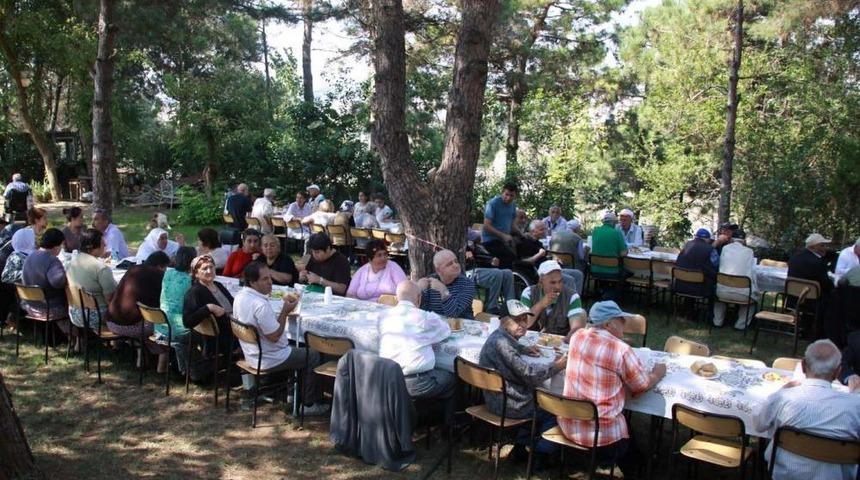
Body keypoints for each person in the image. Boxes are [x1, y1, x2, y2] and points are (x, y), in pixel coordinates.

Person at [560, 301, 666, 476]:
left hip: (569, 424)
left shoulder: (577, 337)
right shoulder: (621, 349)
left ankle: (596, 463)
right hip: (601, 435)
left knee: (621, 424)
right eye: (621, 319)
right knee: (622, 436)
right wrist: (658, 372)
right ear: (608, 324)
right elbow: (641, 385)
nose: (624, 322)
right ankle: (618, 466)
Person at [753, 340, 860, 480]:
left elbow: (759, 425)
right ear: (838, 371)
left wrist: (781, 390)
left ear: (803, 366)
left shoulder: (782, 397)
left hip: (785, 475)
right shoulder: (855, 405)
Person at [233, 262, 329, 415]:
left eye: (270, 277)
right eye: (265, 279)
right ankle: (309, 404)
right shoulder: (259, 304)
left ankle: (293, 395)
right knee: (313, 355)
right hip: (268, 357)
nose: (270, 282)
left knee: (294, 342)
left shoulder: (240, 296)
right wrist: (284, 312)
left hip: (251, 353)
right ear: (252, 282)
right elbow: (275, 336)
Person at [479, 300, 567, 463]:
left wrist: (522, 348)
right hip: (508, 404)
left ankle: (521, 446)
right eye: (517, 320)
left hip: (495, 398)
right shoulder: (504, 345)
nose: (523, 324)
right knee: (555, 409)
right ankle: (539, 455)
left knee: (539, 399)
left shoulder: (499, 337)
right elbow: (530, 374)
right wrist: (557, 366)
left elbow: (509, 353)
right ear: (504, 320)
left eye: (525, 320)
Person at [378, 280, 455, 420]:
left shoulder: (383, 316)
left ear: (396, 299)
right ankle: (445, 425)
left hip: (386, 379)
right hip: (415, 383)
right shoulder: (425, 318)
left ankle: (417, 415)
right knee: (452, 378)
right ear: (419, 299)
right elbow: (446, 331)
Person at [107, 251, 169, 338]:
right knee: (166, 324)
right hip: (130, 326)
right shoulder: (157, 275)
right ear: (160, 266)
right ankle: (158, 349)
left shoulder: (133, 269)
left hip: (111, 322)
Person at [66, 228, 117, 330]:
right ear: (93, 247)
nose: (105, 246)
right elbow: (111, 298)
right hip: (94, 315)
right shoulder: (101, 268)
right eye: (103, 244)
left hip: (74, 312)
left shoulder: (71, 263)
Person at [520, 260, 585, 337]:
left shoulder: (572, 296)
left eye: (560, 281)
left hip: (559, 342)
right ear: (541, 282)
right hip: (531, 341)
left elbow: (576, 328)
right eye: (552, 282)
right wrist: (541, 304)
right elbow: (524, 323)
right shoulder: (529, 293)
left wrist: (572, 335)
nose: (557, 287)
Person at [158, 246, 196, 375]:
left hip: (160, 326)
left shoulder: (168, 273)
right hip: (179, 330)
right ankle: (191, 369)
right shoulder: (191, 280)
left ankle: (163, 367)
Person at [183, 254, 234, 350]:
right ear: (196, 273)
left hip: (234, 327)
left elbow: (233, 303)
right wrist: (209, 308)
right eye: (205, 268)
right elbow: (187, 321)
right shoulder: (194, 292)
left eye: (211, 267)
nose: (209, 271)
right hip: (221, 339)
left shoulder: (218, 285)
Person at [713, 230, 758, 330]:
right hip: (743, 294)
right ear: (744, 240)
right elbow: (751, 271)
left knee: (718, 296)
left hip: (722, 291)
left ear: (732, 239)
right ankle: (740, 325)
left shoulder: (725, 249)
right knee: (753, 300)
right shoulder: (749, 252)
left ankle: (717, 321)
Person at [21, 228, 68, 321]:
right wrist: (67, 272)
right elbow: (59, 283)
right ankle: (73, 333)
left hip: (29, 305)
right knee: (74, 305)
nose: (62, 248)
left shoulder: (30, 256)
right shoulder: (51, 260)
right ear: (55, 246)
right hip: (47, 308)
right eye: (61, 245)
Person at [419, 249, 475, 319]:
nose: (456, 265)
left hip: (460, 326)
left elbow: (453, 314)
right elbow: (419, 311)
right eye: (449, 264)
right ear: (438, 270)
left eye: (456, 261)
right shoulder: (429, 282)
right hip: (435, 325)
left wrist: (443, 291)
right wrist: (418, 291)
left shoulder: (467, 284)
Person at [481, 183, 520, 269]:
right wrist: (503, 236)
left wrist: (522, 234)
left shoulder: (513, 205)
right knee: (509, 257)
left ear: (515, 196)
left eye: (511, 195)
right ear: (502, 192)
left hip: (504, 240)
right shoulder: (493, 204)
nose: (508, 198)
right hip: (490, 240)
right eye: (506, 194)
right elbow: (486, 226)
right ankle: (503, 279)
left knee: (524, 248)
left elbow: (512, 224)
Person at [674, 228, 719, 297]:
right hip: (701, 288)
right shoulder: (711, 250)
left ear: (696, 237)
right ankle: (709, 307)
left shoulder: (686, 245)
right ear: (707, 239)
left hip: (680, 285)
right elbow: (716, 265)